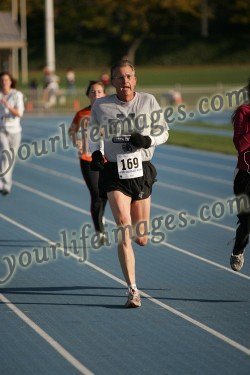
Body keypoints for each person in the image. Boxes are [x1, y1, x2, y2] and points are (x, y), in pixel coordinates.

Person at [89, 60, 169, 307]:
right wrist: (95, 152)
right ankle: (133, 290)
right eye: (120, 77)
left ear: (135, 79)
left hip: (141, 170)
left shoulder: (148, 101)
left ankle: (137, 243)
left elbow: (165, 132)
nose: (125, 81)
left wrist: (148, 140)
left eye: (129, 77)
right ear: (111, 81)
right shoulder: (101, 106)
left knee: (141, 237)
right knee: (123, 226)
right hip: (114, 171)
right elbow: (93, 134)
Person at [68, 80, 107, 243]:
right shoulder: (81, 113)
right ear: (88, 95)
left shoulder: (109, 112)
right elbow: (72, 130)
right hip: (87, 158)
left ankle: (100, 217)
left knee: (105, 194)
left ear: (104, 94)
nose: (96, 94)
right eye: (93, 92)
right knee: (96, 193)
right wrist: (75, 140)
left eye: (99, 91)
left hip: (107, 158)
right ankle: (100, 231)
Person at [230, 78, 250, 272]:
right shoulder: (243, 112)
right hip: (245, 176)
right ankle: (238, 250)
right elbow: (240, 145)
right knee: (247, 221)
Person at [0, 71, 24, 195]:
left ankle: (7, 185)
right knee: (5, 152)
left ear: (10, 81)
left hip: (15, 131)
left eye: (6, 80)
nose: (4, 82)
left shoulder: (17, 95)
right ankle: (3, 180)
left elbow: (19, 113)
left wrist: (8, 106)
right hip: (2, 129)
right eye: (2, 80)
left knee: (10, 159)